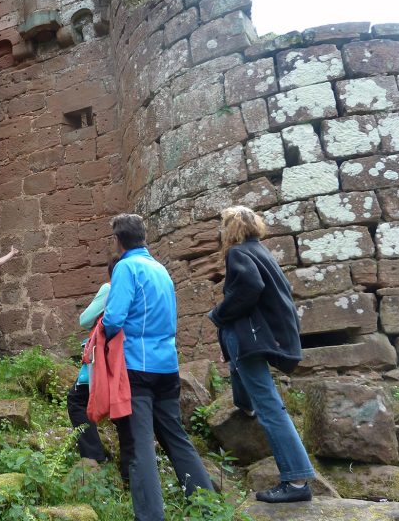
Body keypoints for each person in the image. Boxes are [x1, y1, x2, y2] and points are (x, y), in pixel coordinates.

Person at [102, 213, 213, 521]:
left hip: (137, 367)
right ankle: (208, 507)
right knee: (176, 438)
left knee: (140, 448)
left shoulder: (126, 266)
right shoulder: (161, 269)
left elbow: (113, 318)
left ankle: (150, 516)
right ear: (143, 237)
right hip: (167, 365)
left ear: (119, 240)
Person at [207, 206, 314, 503]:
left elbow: (250, 288)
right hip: (253, 338)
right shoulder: (262, 251)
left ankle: (296, 482)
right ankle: (246, 405)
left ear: (230, 229)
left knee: (271, 408)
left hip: (249, 339)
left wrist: (219, 314)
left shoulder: (238, 253)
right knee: (246, 386)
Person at [67, 256, 133, 482]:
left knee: (76, 401)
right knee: (124, 416)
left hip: (106, 360)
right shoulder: (143, 287)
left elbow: (85, 320)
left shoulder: (110, 288)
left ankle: (93, 456)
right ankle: (129, 476)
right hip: (133, 360)